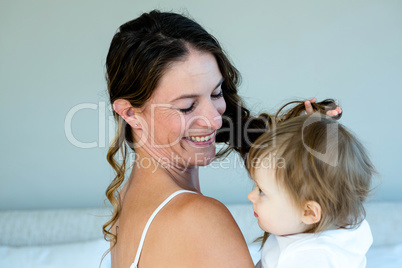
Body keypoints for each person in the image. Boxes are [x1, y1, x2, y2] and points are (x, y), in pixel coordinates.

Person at [103, 10, 341, 267]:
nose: (215, 120)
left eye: (216, 94)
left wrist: (300, 157)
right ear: (130, 113)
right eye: (186, 107)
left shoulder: (129, 199)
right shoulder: (199, 218)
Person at [246, 102, 375, 268]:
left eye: (262, 191)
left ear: (308, 212)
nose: (251, 196)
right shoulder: (315, 227)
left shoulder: (312, 258)